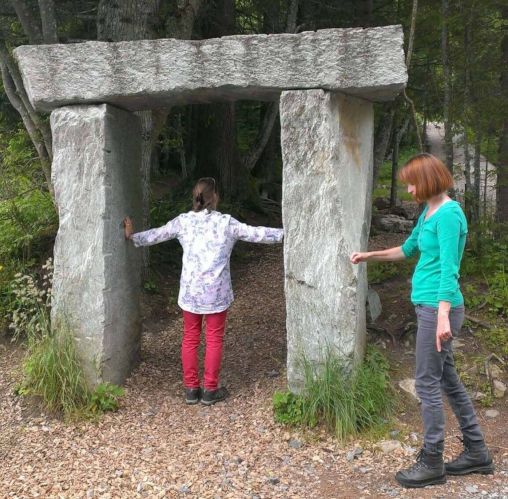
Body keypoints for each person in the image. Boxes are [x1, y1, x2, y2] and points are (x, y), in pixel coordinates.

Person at [350, 153, 494, 488]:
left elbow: (449, 268)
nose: (410, 188)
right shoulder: (428, 211)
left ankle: (432, 462)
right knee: (447, 380)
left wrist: (443, 314)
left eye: (412, 182)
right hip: (430, 308)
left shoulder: (449, 214)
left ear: (428, 180)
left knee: (427, 382)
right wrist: (370, 255)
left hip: (437, 309)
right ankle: (477, 451)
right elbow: (408, 249)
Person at [124, 177, 283, 406]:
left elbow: (157, 234)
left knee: (190, 338)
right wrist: (285, 233)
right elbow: (256, 233)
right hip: (217, 294)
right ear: (215, 197)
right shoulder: (226, 223)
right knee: (214, 339)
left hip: (191, 294)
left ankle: (191, 389)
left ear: (194, 198)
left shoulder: (184, 222)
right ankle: (210, 390)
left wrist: (132, 237)